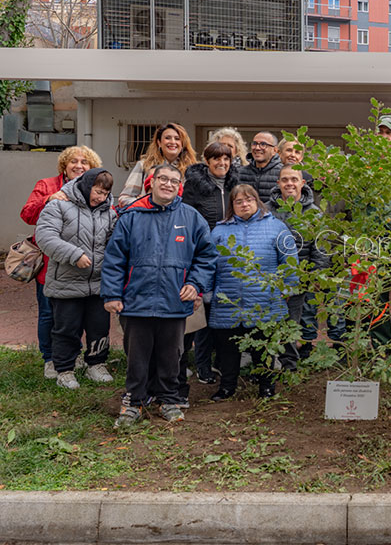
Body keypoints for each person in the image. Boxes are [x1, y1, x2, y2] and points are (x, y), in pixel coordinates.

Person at [102, 164, 217, 427]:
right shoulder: (131, 216)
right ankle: (135, 401)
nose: (168, 184)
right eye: (162, 179)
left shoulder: (191, 217)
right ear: (151, 183)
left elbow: (207, 256)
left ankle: (169, 399)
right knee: (137, 356)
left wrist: (196, 283)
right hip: (136, 301)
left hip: (174, 301)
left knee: (171, 355)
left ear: (180, 187)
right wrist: (111, 293)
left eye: (174, 181)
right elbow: (114, 258)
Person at [209, 185, 298, 400]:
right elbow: (209, 263)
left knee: (264, 348)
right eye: (238, 201)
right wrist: (207, 291)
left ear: (257, 201)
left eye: (248, 200)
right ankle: (227, 387)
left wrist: (286, 289)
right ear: (232, 206)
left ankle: (266, 387)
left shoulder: (276, 227)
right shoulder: (219, 230)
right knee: (228, 349)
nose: (244, 204)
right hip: (227, 300)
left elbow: (290, 261)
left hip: (264, 300)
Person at [21, 145, 102, 379]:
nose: (79, 165)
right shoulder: (46, 185)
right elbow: (27, 214)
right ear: (64, 165)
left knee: (75, 315)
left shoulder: (94, 190)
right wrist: (49, 199)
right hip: (50, 265)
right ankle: (50, 358)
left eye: (84, 162)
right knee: (49, 314)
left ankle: (72, 355)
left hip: (83, 267)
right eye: (73, 161)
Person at [35, 168, 118, 390]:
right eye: (97, 191)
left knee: (99, 327)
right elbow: (44, 236)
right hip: (66, 282)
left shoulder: (109, 212)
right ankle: (65, 369)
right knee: (66, 329)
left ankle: (96, 364)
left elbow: (113, 241)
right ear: (86, 185)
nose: (100, 197)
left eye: (104, 193)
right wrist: (74, 255)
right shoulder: (58, 205)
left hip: (98, 283)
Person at [181, 141, 242, 385]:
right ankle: (200, 366)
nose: (222, 163)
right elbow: (187, 220)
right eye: (217, 159)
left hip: (230, 259)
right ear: (207, 161)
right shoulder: (194, 185)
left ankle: (220, 363)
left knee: (223, 312)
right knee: (201, 315)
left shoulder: (235, 183)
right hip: (203, 256)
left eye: (226, 159)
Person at [270, 166, 338, 368]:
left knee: (293, 322)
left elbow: (320, 249)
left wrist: (315, 275)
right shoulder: (266, 210)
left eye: (294, 179)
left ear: (302, 183)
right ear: (278, 184)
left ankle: (289, 364)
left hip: (300, 277)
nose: (289, 183)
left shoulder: (314, 213)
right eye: (284, 180)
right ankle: (266, 361)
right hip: (270, 277)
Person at [118, 122, 197, 207]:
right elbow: (124, 199)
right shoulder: (144, 165)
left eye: (177, 138)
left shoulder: (192, 170)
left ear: (182, 144)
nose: (172, 142)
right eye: (167, 138)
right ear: (159, 142)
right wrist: (146, 204)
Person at [238, 131, 283, 206]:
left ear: (275, 150)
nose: (257, 148)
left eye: (263, 144)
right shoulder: (240, 172)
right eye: (255, 144)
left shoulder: (282, 173)